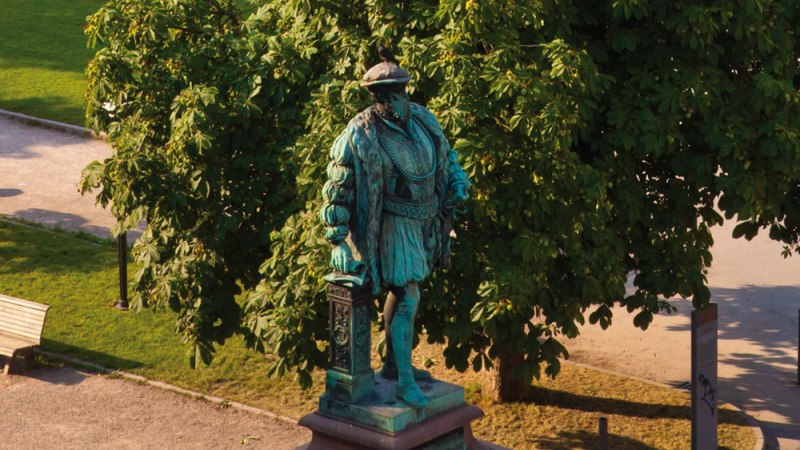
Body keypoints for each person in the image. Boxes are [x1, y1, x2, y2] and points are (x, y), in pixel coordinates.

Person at [320, 53, 470, 408]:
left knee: (402, 294)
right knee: (408, 296)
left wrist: (458, 181)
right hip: (390, 226)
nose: (403, 100)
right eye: (394, 95)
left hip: (424, 222)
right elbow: (337, 187)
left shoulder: (423, 120)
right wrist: (337, 239)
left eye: (404, 92)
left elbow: (448, 157)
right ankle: (404, 382)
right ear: (381, 99)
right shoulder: (358, 133)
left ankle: (391, 365)